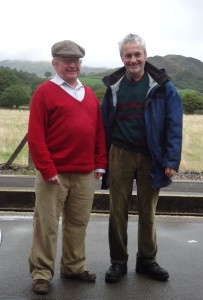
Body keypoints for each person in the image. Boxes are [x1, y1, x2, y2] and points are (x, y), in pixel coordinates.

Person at [101, 33, 183, 283]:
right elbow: (103, 122)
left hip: (151, 156)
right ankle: (118, 262)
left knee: (148, 210)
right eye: (128, 55)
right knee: (117, 210)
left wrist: (171, 159)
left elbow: (174, 123)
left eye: (137, 54)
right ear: (122, 58)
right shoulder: (114, 86)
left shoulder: (163, 86)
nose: (133, 59)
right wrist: (100, 159)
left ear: (145, 56)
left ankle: (147, 261)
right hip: (120, 153)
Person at [28, 40, 107, 294]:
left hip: (84, 173)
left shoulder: (89, 93)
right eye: (66, 61)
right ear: (55, 63)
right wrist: (47, 168)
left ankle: (73, 267)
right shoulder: (44, 92)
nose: (72, 65)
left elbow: (98, 131)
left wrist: (100, 162)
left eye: (76, 61)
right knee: (46, 225)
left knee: (77, 223)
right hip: (54, 174)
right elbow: (36, 136)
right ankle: (41, 273)